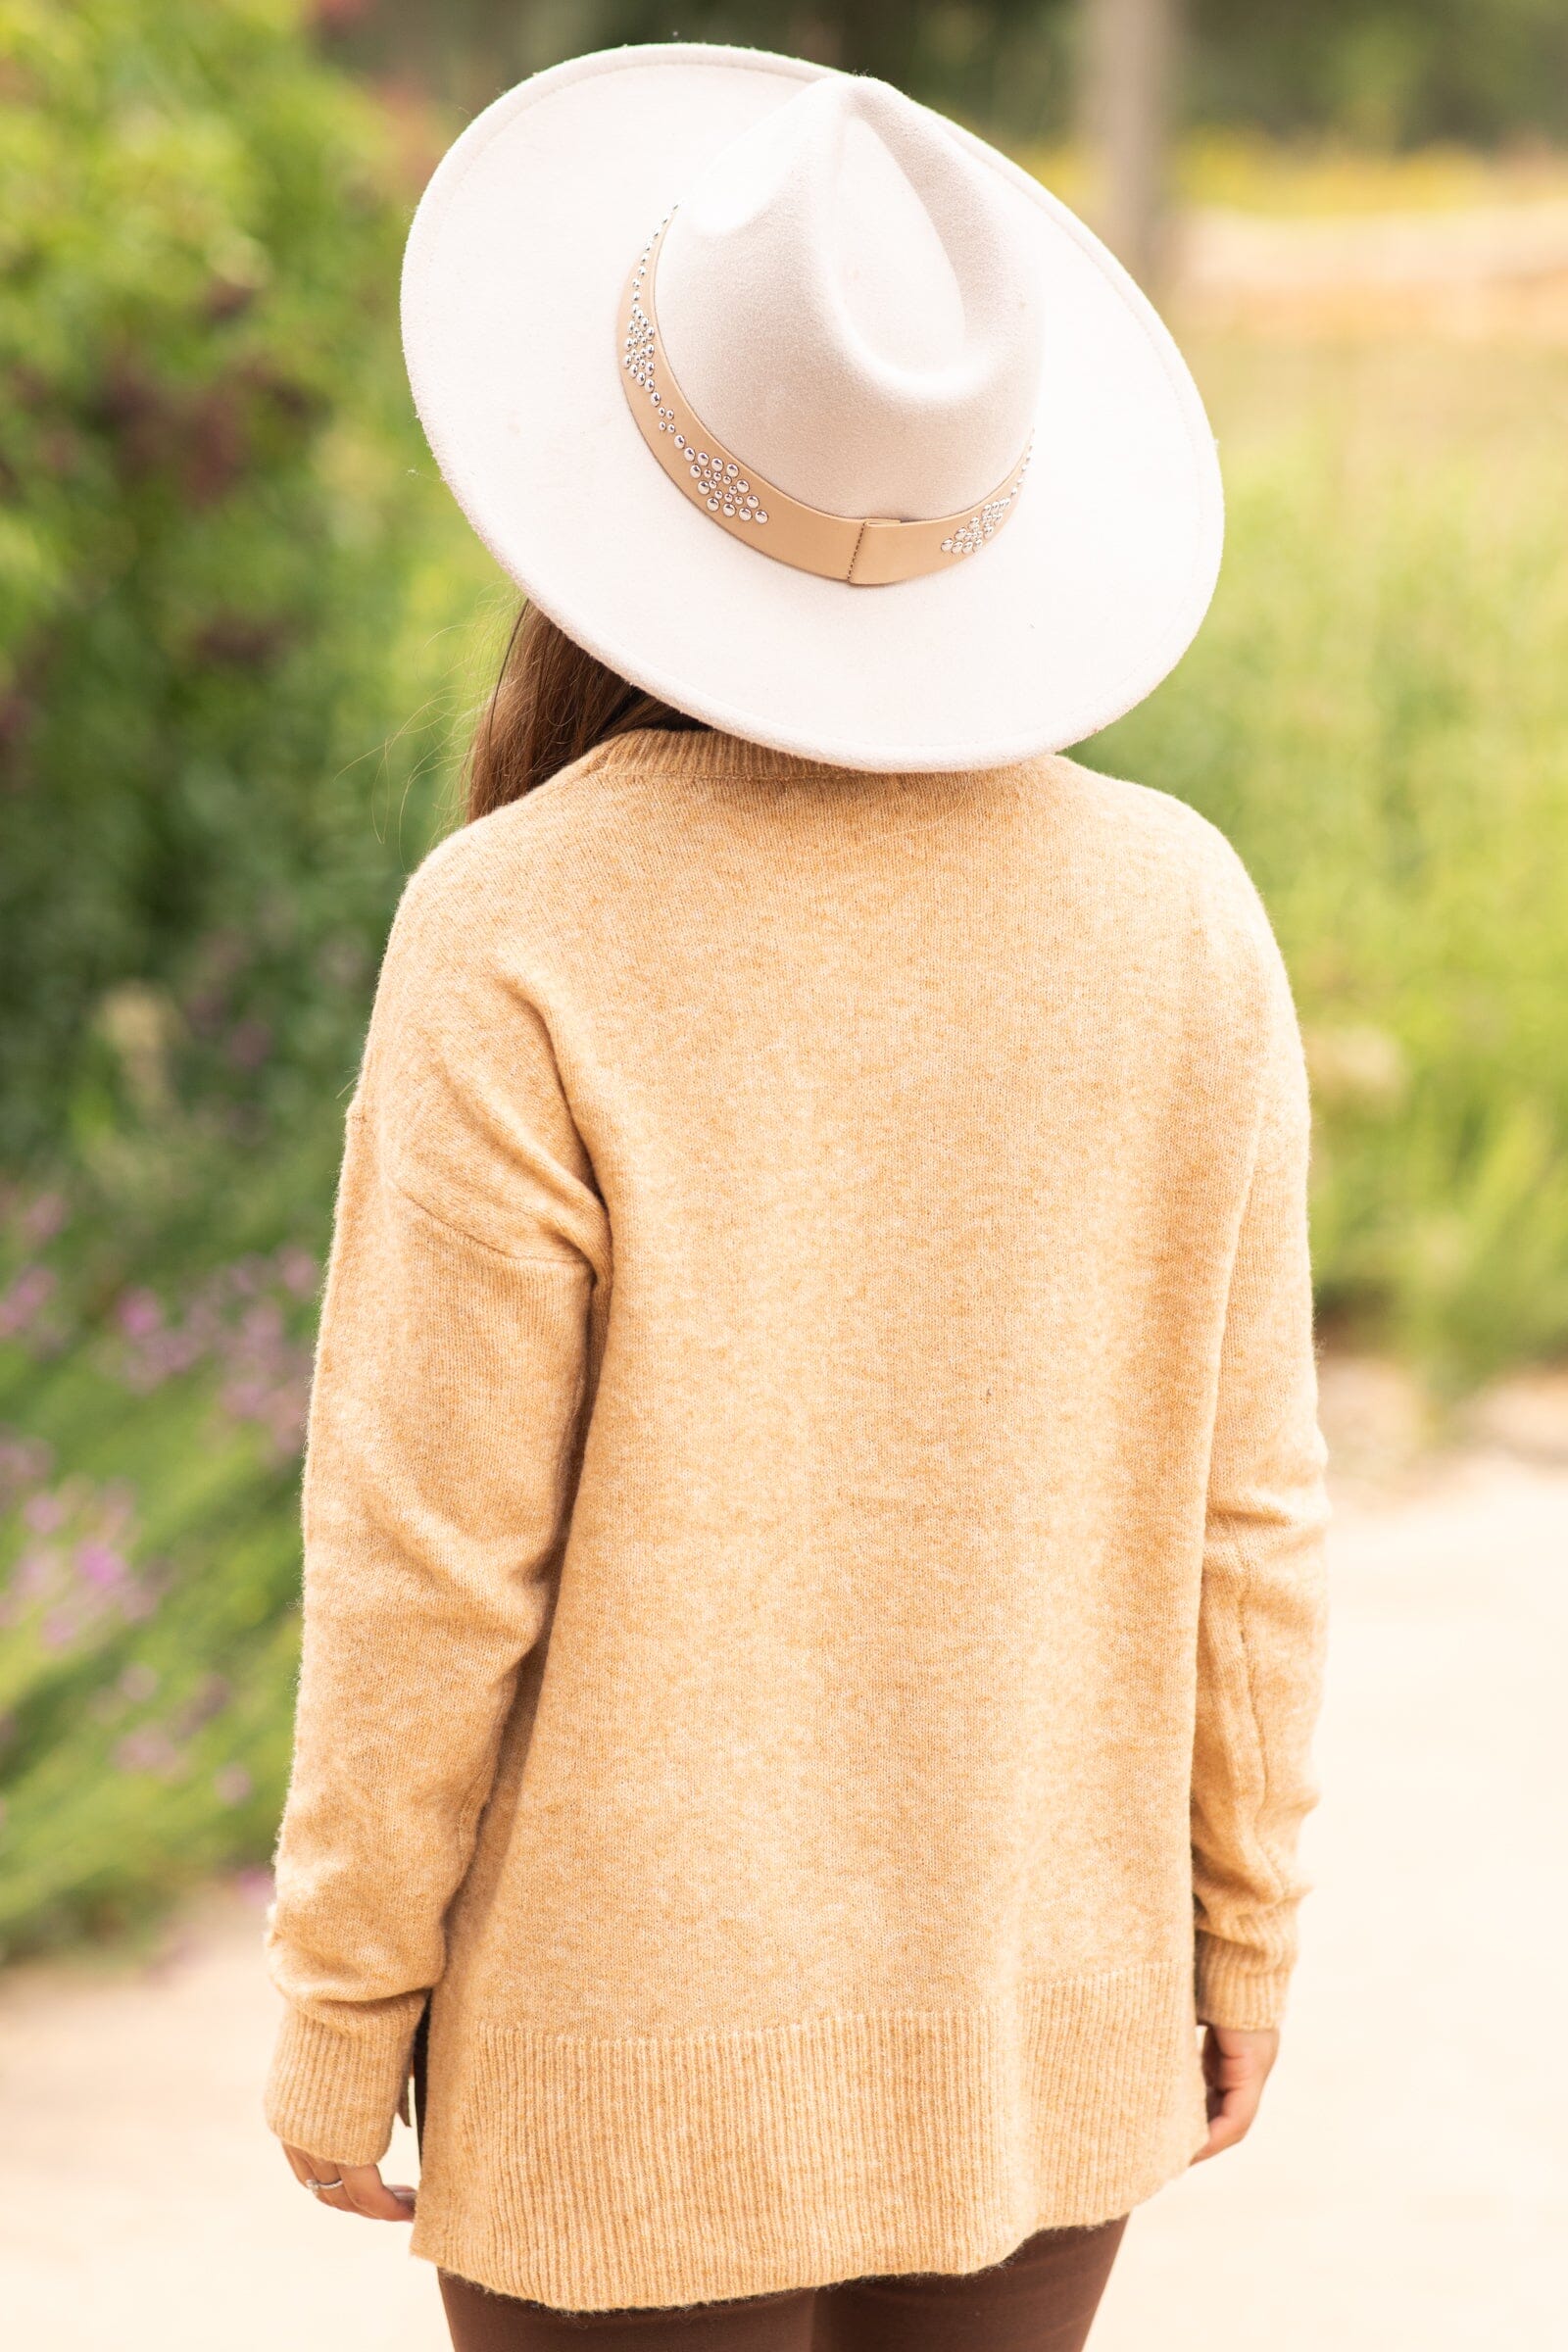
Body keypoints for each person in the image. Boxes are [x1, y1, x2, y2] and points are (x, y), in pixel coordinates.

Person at [262, 41, 1330, 2352]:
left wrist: (343, 2010)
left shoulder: (519, 923)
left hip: (617, 2056)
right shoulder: (1179, 911)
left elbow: (431, 1558)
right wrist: (1236, 1928)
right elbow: (1250, 1510)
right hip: (1042, 2015)